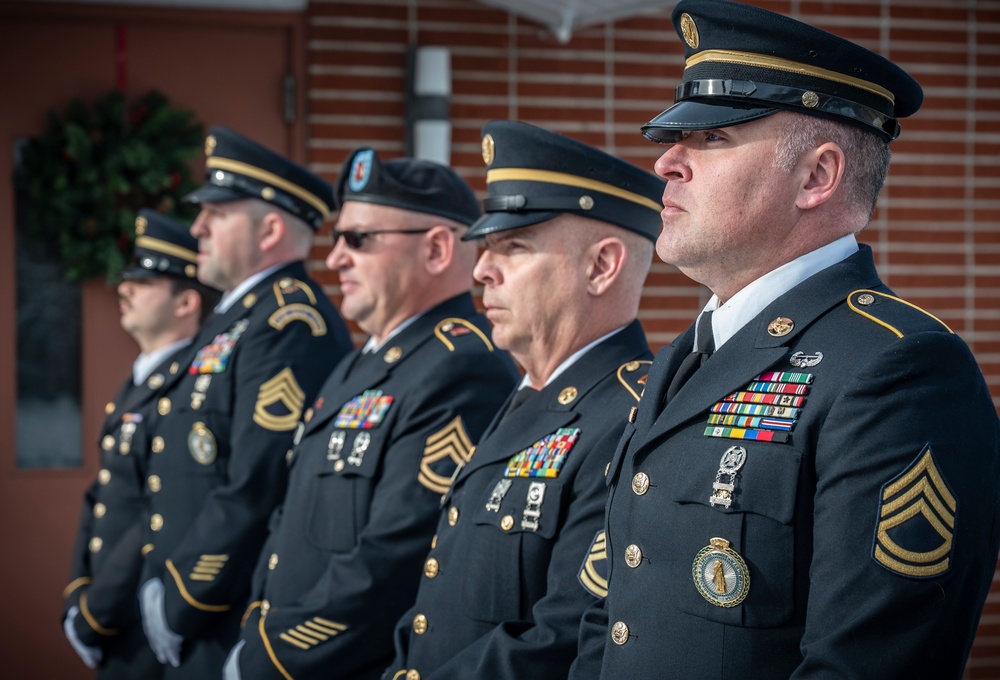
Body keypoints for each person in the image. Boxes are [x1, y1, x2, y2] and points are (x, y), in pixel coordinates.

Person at [571, 1, 1000, 678]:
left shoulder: (899, 368)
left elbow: (864, 664)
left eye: (713, 138)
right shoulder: (684, 357)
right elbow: (612, 618)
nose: (666, 164)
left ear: (816, 177)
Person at [222, 148, 520, 680]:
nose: (335, 257)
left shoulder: (462, 368)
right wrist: (256, 632)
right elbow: (288, 521)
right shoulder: (360, 362)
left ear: (435, 249)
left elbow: (394, 561)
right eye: (337, 238)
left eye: (358, 240)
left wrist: (268, 659)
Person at [384, 120, 664, 680]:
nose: (483, 270)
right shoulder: (528, 395)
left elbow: (563, 637)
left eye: (513, 247)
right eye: (486, 248)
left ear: (601, 266)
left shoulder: (629, 418)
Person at [137, 126, 353, 679]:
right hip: (197, 614)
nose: (197, 228)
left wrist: (182, 598)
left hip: (228, 614)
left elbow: (257, 482)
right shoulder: (234, 319)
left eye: (218, 213)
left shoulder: (288, 322)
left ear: (271, 229)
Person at [62, 210, 221, 679]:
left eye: (144, 281)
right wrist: (77, 598)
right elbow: (102, 497)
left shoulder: (187, 388)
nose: (124, 288)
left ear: (186, 302)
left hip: (146, 629)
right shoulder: (142, 380)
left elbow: (160, 510)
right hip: (112, 620)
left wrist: (97, 613)